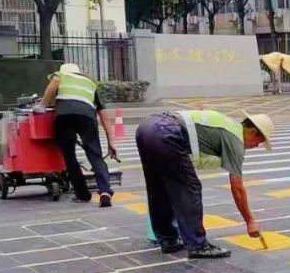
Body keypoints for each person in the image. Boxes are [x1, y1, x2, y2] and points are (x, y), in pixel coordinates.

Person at [134, 109, 274, 259]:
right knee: (190, 188)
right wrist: (250, 221)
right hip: (167, 132)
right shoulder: (236, 140)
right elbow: (237, 188)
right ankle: (198, 245)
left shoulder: (228, 124)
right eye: (259, 142)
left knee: (159, 186)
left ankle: (168, 239)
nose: (256, 146)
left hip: (146, 127)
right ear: (252, 132)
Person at [41, 63, 117, 207]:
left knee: (70, 157)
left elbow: (55, 81)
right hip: (87, 118)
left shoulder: (61, 76)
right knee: (95, 155)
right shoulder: (90, 83)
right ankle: (105, 191)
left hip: (64, 117)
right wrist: (111, 142)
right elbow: (104, 115)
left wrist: (43, 103)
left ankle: (82, 194)